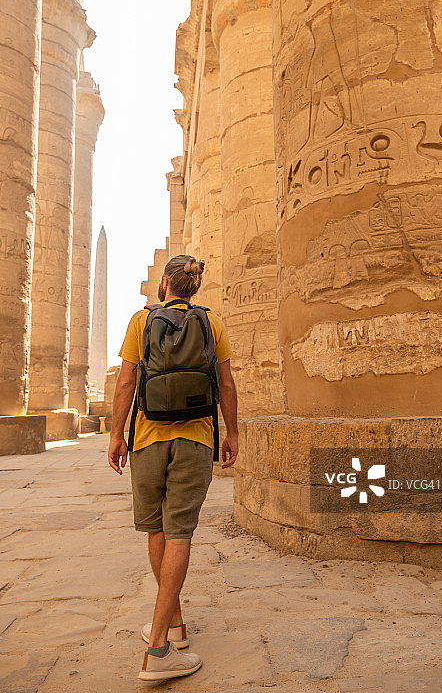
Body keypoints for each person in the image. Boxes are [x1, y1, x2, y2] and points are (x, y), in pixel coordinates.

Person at [107, 255, 238, 681]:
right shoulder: (211, 322)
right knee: (179, 532)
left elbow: (126, 382)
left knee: (158, 531)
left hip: (148, 439)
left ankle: (161, 641)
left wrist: (116, 435)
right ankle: (169, 632)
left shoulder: (140, 321)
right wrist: (232, 433)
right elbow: (226, 383)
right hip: (196, 437)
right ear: (194, 286)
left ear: (164, 283)